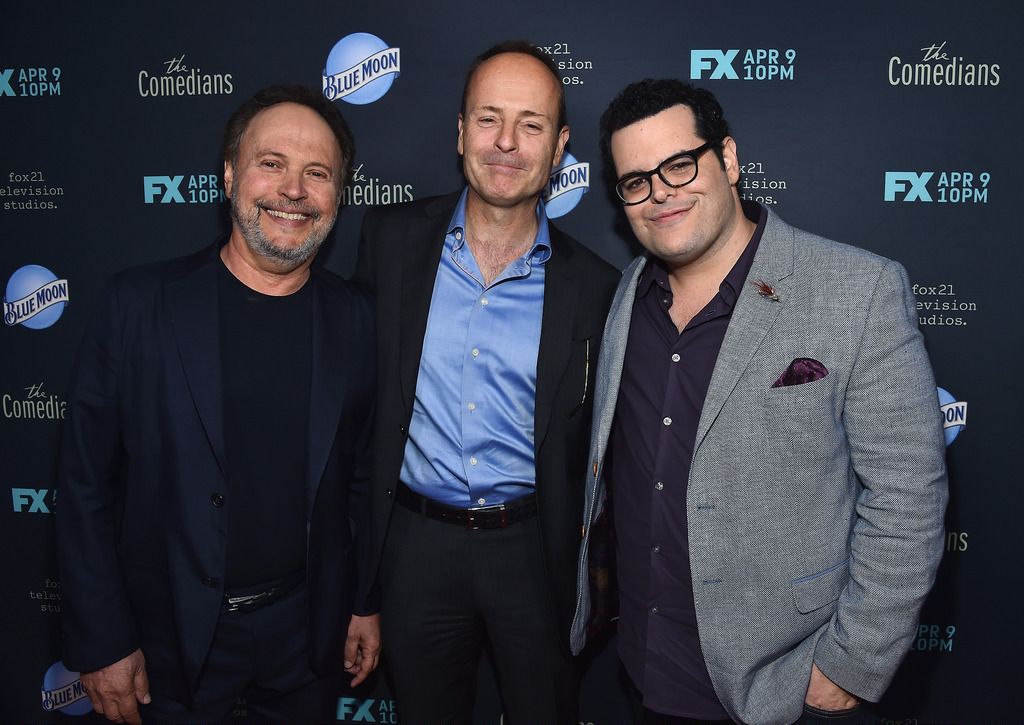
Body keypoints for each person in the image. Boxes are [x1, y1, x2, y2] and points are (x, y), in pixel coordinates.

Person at [570, 79, 948, 725]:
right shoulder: (625, 294)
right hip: (647, 668)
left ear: (729, 159)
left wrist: (848, 665)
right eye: (636, 181)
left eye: (679, 164)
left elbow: (909, 495)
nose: (660, 192)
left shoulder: (857, 290)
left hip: (784, 684)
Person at [56, 85, 379, 724]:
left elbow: (362, 481)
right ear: (230, 174)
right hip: (164, 648)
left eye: (317, 173)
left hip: (304, 644)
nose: (293, 189)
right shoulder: (138, 307)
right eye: (271, 163)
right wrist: (102, 639)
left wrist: (362, 601)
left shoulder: (357, 319)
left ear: (337, 197)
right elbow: (83, 485)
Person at [354, 41, 618, 724]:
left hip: (534, 549)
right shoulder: (387, 242)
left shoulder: (595, 286)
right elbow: (352, 408)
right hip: (414, 547)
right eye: (488, 119)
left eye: (531, 124)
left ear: (558, 147)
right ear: (460, 131)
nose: (506, 142)